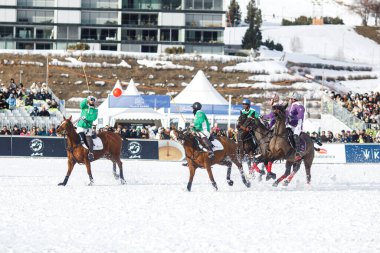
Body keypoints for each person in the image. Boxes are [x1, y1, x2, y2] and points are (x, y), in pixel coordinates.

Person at [77, 96, 98, 161]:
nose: (92, 101)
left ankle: (90, 153)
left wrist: (86, 117)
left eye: (93, 100)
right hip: (80, 126)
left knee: (89, 140)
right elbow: (81, 105)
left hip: (88, 128)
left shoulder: (95, 110)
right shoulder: (84, 107)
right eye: (91, 100)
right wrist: (86, 99)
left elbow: (93, 118)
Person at [286, 92, 305, 161]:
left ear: (293, 99)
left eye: (290, 99)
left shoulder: (299, 105)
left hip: (297, 124)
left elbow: (301, 114)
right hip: (289, 124)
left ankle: (298, 153)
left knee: (295, 135)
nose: (289, 100)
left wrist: (293, 117)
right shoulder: (289, 106)